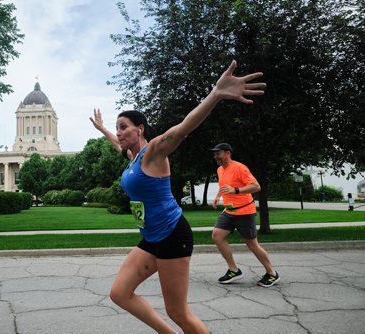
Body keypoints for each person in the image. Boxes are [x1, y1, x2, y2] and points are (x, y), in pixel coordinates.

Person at [90, 60, 265, 334]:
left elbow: (183, 127)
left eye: (124, 127)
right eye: (118, 127)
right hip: (152, 238)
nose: (120, 132)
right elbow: (118, 145)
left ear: (141, 129)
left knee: (178, 311)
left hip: (172, 235)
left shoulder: (154, 152)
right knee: (120, 293)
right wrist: (103, 129)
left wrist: (216, 93)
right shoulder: (133, 158)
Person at [211, 142, 280, 287]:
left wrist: (236, 190)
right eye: (215, 154)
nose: (216, 156)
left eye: (218, 153)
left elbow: (256, 186)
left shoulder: (239, 168)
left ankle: (272, 273)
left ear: (228, 153)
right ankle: (234, 270)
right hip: (229, 211)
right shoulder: (220, 170)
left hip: (244, 211)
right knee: (217, 236)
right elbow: (224, 186)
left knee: (251, 244)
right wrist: (218, 196)